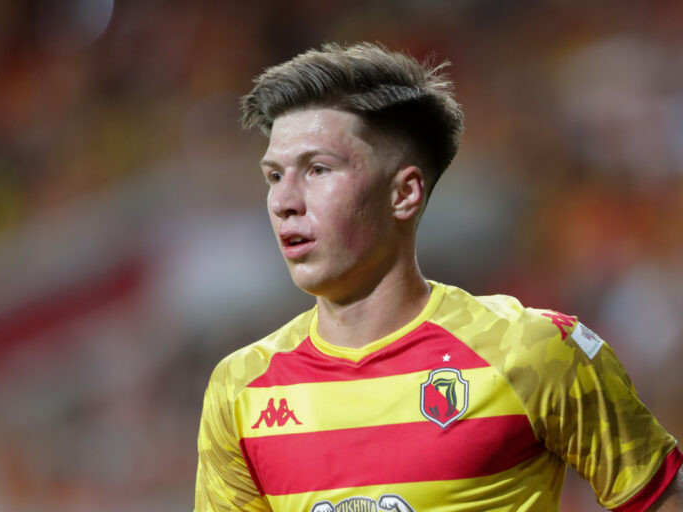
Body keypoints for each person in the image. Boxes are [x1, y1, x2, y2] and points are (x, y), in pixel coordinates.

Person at [194, 42, 683, 511]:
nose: (284, 201)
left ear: (404, 194)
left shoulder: (532, 350)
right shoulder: (241, 387)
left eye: (318, 169)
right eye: (274, 176)